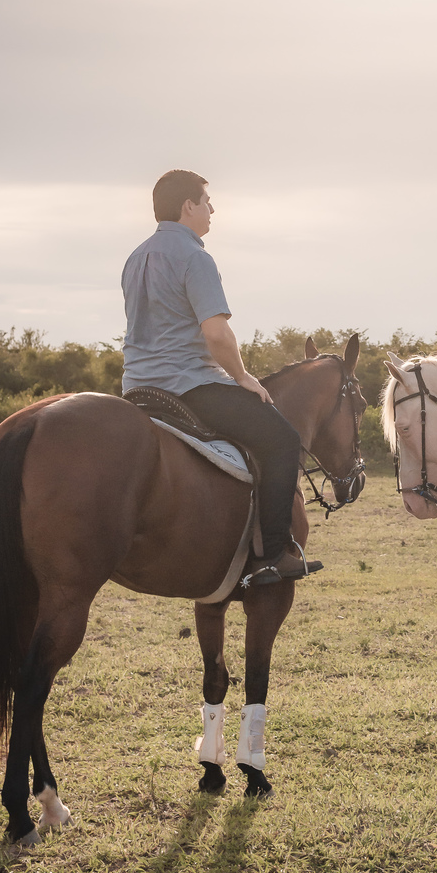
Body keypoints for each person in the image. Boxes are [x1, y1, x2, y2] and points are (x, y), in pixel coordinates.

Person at [121, 168, 316, 587]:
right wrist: (243, 376)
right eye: (208, 202)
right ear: (188, 206)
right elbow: (216, 333)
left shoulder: (135, 257)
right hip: (190, 385)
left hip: (136, 388)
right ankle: (273, 556)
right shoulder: (195, 256)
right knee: (282, 440)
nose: (213, 209)